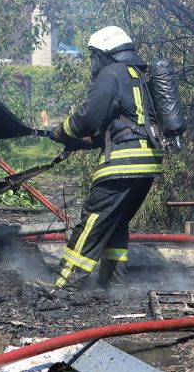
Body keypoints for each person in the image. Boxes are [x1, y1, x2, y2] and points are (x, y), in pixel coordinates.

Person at [42, 26, 163, 290]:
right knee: (115, 222)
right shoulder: (138, 76)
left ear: (104, 54)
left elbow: (86, 118)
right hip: (147, 164)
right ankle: (113, 284)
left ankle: (64, 285)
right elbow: (119, 126)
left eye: (92, 56)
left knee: (93, 221)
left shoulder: (112, 74)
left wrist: (61, 131)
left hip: (123, 163)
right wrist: (79, 143)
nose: (91, 63)